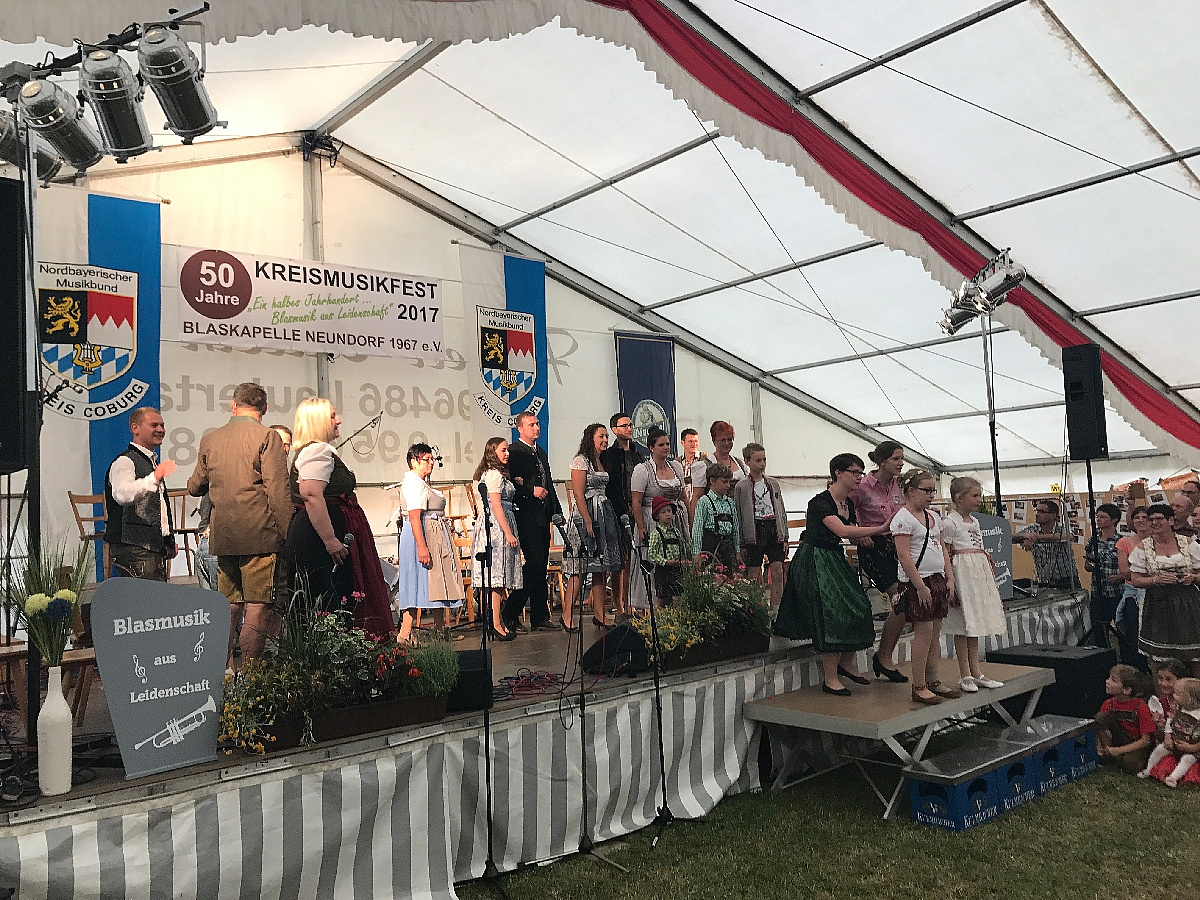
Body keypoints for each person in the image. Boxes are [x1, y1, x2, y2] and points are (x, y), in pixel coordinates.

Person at [188, 383, 293, 666]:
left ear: (233, 406)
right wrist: (288, 534)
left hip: (223, 537)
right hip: (259, 536)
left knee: (229, 606)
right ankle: (248, 677)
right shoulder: (267, 436)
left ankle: (221, 672)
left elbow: (195, 486)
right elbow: (278, 491)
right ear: (265, 408)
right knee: (257, 606)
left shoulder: (211, 439)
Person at [773, 453, 888, 695]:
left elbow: (850, 530)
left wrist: (861, 535)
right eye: (854, 472)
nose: (859, 477)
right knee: (831, 613)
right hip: (814, 559)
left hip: (833, 557)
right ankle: (830, 677)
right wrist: (879, 528)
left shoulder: (849, 503)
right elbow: (841, 529)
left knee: (859, 604)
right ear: (838, 473)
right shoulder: (819, 502)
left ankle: (846, 663)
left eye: (860, 473)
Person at [285, 397, 394, 637]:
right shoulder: (317, 450)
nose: (339, 420)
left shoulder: (316, 450)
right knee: (329, 595)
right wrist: (330, 540)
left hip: (321, 530)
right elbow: (311, 494)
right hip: (319, 536)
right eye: (332, 416)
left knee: (330, 597)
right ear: (318, 421)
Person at [892, 469, 958, 705]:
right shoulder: (903, 518)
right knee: (923, 633)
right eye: (926, 490)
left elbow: (942, 548)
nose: (931, 495)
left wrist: (949, 577)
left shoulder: (933, 517)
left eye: (933, 490)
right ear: (911, 491)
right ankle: (918, 684)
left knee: (935, 633)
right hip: (917, 581)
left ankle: (932, 678)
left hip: (936, 578)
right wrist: (919, 585)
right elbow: (903, 555)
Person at [850, 440, 908, 683]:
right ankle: (884, 657)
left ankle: (884, 655)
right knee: (901, 600)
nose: (901, 463)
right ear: (882, 461)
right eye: (896, 459)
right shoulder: (862, 486)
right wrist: (858, 533)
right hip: (874, 546)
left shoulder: (900, 485)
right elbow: (844, 511)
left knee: (906, 601)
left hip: (899, 544)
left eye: (902, 458)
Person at [941, 477, 1007, 693]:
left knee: (974, 623)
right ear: (959, 498)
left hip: (976, 573)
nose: (979, 500)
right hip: (961, 573)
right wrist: (950, 580)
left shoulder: (974, 521)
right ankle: (965, 674)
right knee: (962, 624)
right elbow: (946, 552)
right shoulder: (950, 523)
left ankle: (976, 671)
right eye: (975, 495)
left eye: (980, 495)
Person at [395, 443, 464, 644]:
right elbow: (414, 517)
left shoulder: (421, 483)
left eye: (432, 459)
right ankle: (405, 633)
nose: (431, 463)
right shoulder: (413, 483)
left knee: (435, 583)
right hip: (421, 535)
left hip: (431, 535)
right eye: (426, 460)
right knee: (416, 582)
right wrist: (422, 546)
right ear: (414, 462)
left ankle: (440, 630)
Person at [505, 412, 563, 632]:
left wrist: (556, 510)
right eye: (531, 425)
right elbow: (511, 483)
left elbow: (548, 482)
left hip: (542, 514)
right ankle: (510, 612)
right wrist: (530, 490)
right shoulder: (514, 452)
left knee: (540, 565)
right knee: (534, 564)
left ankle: (539, 616)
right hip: (526, 514)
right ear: (520, 429)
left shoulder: (540, 451)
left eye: (537, 424)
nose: (536, 428)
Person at [104, 407, 177, 582]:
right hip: (134, 547)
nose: (160, 430)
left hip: (150, 547)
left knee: (155, 596)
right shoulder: (125, 462)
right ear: (135, 428)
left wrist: (167, 539)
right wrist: (154, 478)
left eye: (162, 425)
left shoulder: (150, 462)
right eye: (154, 425)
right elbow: (123, 495)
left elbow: (158, 506)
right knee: (149, 598)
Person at [563, 424, 624, 631]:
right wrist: (588, 520)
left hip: (603, 513)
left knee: (600, 567)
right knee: (580, 567)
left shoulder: (602, 460)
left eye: (606, 436)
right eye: (601, 436)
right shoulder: (581, 461)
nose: (605, 440)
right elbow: (578, 494)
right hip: (586, 515)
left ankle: (600, 614)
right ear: (591, 438)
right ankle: (566, 615)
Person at [1127, 503, 1200, 671]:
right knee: (1160, 658)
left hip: (1188, 603)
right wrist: (1155, 580)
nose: (1154, 523)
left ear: (1171, 521)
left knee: (1195, 656)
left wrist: (1193, 578)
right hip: (1157, 604)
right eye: (1151, 519)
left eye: (1159, 518)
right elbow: (1135, 580)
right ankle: (1161, 688)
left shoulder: (1188, 543)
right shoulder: (1142, 548)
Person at [471, 437, 522, 641]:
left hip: (499, 524)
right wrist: (508, 532)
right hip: (496, 528)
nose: (507, 454)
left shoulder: (497, 474)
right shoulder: (493, 475)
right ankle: (495, 624)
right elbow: (496, 505)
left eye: (507, 450)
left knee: (498, 580)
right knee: (496, 579)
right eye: (503, 450)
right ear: (493, 452)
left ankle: (496, 621)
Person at [601, 412, 644, 620]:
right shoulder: (609, 455)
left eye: (630, 425)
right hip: (618, 510)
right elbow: (611, 486)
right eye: (624, 426)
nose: (629, 428)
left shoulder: (637, 454)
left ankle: (632, 603)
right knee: (620, 560)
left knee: (634, 559)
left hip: (637, 509)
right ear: (614, 430)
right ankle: (619, 605)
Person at [733, 443, 787, 607]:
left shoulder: (773, 484)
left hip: (773, 529)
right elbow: (738, 515)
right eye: (758, 460)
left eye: (764, 460)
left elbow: (781, 509)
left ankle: (776, 610)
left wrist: (784, 536)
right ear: (747, 461)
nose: (762, 464)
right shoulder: (742, 487)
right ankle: (755, 609)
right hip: (754, 530)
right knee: (753, 573)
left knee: (777, 571)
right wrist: (741, 543)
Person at [1095, 664, 1155, 775]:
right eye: (1109, 678)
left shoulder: (1140, 707)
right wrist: (1100, 747)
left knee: (1130, 765)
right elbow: (1100, 726)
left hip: (1136, 744)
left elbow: (1146, 740)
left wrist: (1118, 750)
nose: (1107, 681)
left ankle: (1118, 756)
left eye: (1113, 680)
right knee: (1101, 717)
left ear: (1127, 690)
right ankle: (1107, 752)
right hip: (1118, 739)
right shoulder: (1108, 704)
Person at [1142, 676, 1200, 786]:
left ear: (1189, 698)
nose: (1174, 695)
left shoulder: (1198, 716)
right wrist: (1168, 736)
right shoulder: (1180, 708)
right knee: (1160, 749)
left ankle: (1173, 778)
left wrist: (1190, 747)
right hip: (1174, 743)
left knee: (1187, 759)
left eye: (1177, 694)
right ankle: (1148, 769)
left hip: (1193, 750)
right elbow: (1170, 721)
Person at [1115, 506, 1152, 669]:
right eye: (1137, 517)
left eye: (1145, 517)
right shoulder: (1124, 543)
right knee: (1132, 630)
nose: (1141, 520)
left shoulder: (1159, 541)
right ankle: (1136, 668)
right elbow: (1125, 572)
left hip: (1155, 591)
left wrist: (1138, 572)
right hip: (1133, 593)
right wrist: (1148, 573)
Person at [1084, 503, 1124, 647]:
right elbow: (1087, 564)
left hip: (1117, 591)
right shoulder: (1093, 540)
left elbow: (1130, 567)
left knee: (1122, 627)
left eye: (1103, 517)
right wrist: (1092, 565)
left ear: (1114, 520)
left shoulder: (1121, 541)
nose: (1099, 520)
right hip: (1098, 591)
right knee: (1099, 629)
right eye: (1097, 517)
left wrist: (1120, 577)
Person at [1017, 499, 1080, 590]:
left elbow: (1068, 536)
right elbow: (1012, 536)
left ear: (1053, 515)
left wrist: (1037, 537)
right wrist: (1025, 537)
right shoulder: (1033, 529)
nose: (1037, 514)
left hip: (1067, 581)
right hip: (1045, 582)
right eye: (1037, 511)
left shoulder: (1062, 527)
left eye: (1042, 512)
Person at [691, 463, 741, 574]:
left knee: (730, 578)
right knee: (713, 578)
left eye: (729, 482)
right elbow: (697, 529)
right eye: (724, 482)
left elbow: (735, 529)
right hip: (711, 547)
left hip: (728, 548)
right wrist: (696, 552)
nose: (728, 486)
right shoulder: (704, 502)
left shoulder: (730, 503)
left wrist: (737, 550)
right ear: (712, 481)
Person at [648, 496, 689, 603]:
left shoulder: (676, 532)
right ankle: (657, 614)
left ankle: (676, 613)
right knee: (661, 597)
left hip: (677, 569)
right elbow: (652, 554)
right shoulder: (656, 533)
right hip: (663, 570)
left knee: (678, 596)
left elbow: (682, 547)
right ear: (657, 516)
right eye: (663, 512)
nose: (667, 514)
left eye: (669, 511)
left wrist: (684, 560)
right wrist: (665, 562)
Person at [691, 421, 747, 501]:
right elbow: (697, 496)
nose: (726, 443)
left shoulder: (740, 463)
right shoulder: (704, 465)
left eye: (729, 440)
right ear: (714, 441)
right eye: (723, 440)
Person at [679, 428, 706, 520]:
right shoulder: (677, 463)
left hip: (702, 506)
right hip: (683, 508)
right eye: (690, 441)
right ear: (682, 443)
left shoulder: (706, 459)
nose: (694, 444)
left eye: (696, 441)